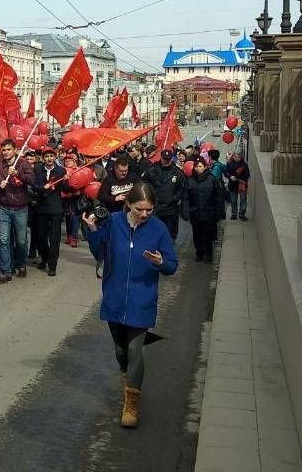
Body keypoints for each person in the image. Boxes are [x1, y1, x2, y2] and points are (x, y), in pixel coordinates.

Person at [83, 181, 178, 428]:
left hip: (142, 299)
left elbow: (172, 265)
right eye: (139, 209)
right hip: (114, 296)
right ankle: (128, 377)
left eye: (149, 209)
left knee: (136, 349)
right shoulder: (113, 222)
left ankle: (132, 402)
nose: (145, 214)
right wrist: (93, 230)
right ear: (128, 205)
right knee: (121, 351)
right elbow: (99, 252)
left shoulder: (158, 229)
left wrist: (160, 262)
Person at [0, 139, 34, 283]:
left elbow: (32, 180)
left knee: (21, 240)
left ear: (15, 150)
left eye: (9, 149)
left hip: (21, 207)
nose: (6, 152)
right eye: (4, 150)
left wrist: (18, 174)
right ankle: (6, 271)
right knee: (3, 239)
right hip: (4, 206)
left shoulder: (23, 163)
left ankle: (21, 264)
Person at [32, 147, 67, 276]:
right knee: (41, 237)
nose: (49, 159)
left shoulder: (61, 170)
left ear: (55, 157)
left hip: (55, 209)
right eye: (46, 156)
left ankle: (52, 265)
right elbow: (33, 185)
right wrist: (42, 187)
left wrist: (66, 179)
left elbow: (66, 189)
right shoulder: (37, 170)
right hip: (41, 208)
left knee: (54, 238)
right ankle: (45, 257)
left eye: (51, 156)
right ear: (43, 158)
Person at [184, 158, 225, 262]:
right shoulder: (190, 180)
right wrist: (186, 211)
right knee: (197, 235)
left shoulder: (212, 179)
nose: (198, 169)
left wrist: (219, 212)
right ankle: (199, 253)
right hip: (195, 213)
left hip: (209, 213)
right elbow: (186, 197)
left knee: (208, 235)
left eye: (200, 166)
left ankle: (208, 254)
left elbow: (218, 196)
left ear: (205, 167)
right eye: (196, 166)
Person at [144, 149, 186, 241]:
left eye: (168, 159)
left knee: (169, 235)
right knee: (154, 234)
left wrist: (175, 198)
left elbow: (182, 188)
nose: (166, 161)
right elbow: (145, 184)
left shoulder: (177, 172)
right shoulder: (152, 170)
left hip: (171, 209)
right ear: (161, 158)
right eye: (164, 159)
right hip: (155, 208)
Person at [224, 152, 250, 221]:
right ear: (233, 156)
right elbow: (226, 173)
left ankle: (242, 214)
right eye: (236, 157)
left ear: (241, 157)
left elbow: (247, 174)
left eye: (239, 157)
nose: (237, 158)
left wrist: (241, 179)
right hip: (232, 184)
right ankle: (234, 214)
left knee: (243, 200)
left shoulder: (244, 165)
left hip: (242, 185)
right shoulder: (229, 164)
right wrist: (230, 177)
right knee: (233, 200)